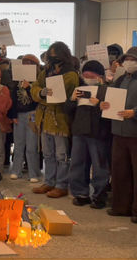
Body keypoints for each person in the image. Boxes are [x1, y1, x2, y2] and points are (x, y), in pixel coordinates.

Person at [31, 42, 79, 198]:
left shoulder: (71, 74)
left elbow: (60, 97)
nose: (51, 58)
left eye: (54, 55)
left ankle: (62, 185)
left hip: (61, 120)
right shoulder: (46, 72)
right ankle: (49, 182)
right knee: (47, 153)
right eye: (50, 55)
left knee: (61, 155)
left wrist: (44, 96)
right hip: (44, 119)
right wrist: (41, 92)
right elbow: (34, 88)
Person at [65, 60, 110, 209]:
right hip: (80, 132)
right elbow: (68, 110)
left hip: (98, 132)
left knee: (99, 166)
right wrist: (72, 100)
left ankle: (99, 195)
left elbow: (111, 111)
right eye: (85, 74)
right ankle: (81, 194)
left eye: (91, 74)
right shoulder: (79, 89)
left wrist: (98, 103)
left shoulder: (106, 90)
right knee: (77, 164)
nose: (87, 77)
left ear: (99, 76)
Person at [101, 46, 137, 223]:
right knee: (119, 171)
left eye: (133, 59)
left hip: (134, 132)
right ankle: (120, 206)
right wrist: (104, 105)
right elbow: (111, 98)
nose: (129, 62)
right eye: (127, 59)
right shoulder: (121, 78)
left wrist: (135, 112)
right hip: (118, 131)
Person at [9, 54, 41, 182]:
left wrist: (29, 87)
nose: (26, 65)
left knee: (32, 145)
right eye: (25, 63)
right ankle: (16, 170)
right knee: (18, 144)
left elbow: (36, 99)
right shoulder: (17, 81)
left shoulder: (38, 81)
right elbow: (13, 99)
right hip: (19, 115)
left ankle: (33, 173)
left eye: (29, 63)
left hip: (32, 114)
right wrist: (13, 115)